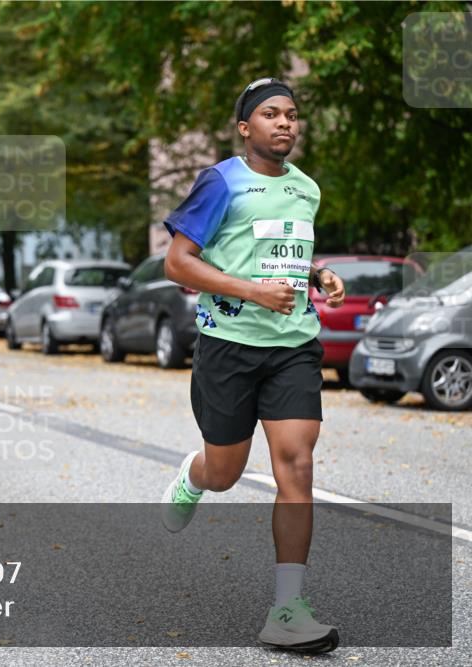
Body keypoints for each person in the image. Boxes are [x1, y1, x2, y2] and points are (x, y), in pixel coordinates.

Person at [159, 78, 346, 654]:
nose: (285, 123)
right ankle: (195, 475)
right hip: (229, 347)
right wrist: (252, 291)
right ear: (246, 129)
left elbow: (279, 246)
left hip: (292, 345)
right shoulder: (221, 181)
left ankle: (287, 609)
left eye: (291, 114)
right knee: (227, 473)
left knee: (297, 465)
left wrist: (316, 274)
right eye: (271, 114)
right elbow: (177, 262)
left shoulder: (306, 189)